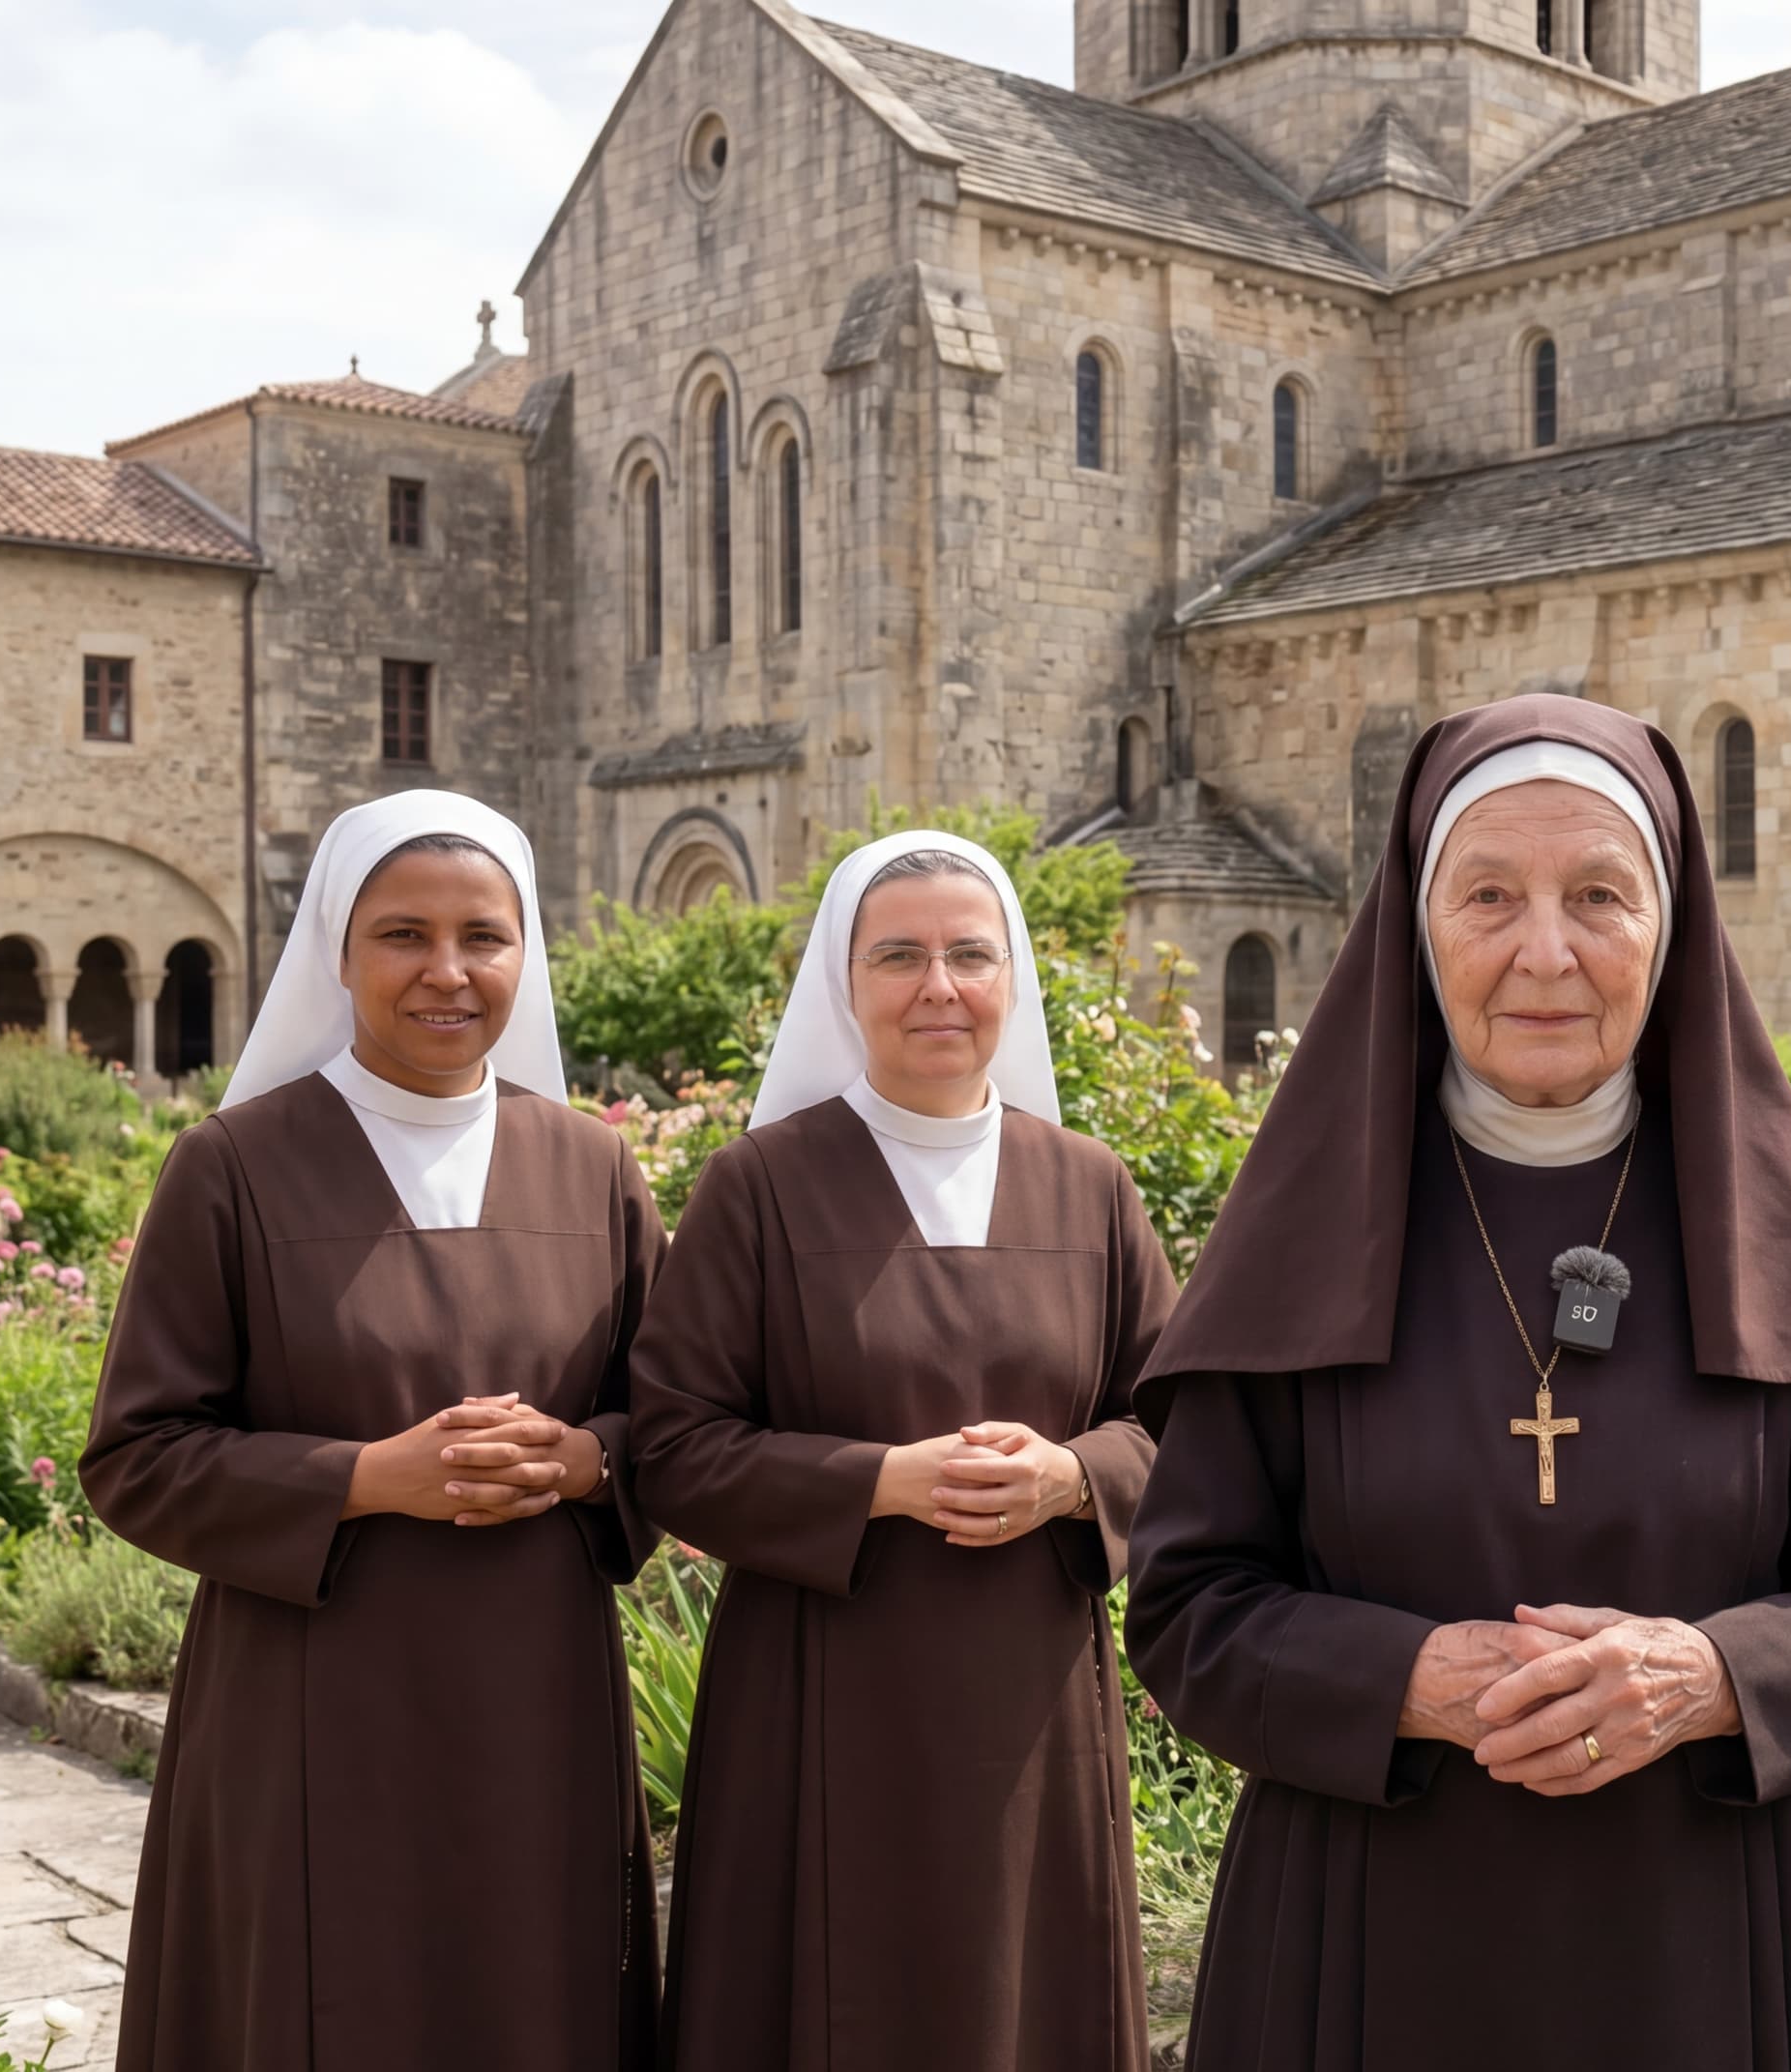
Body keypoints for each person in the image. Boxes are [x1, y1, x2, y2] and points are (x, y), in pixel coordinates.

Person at [1123, 693, 1791, 2072]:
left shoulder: (1770, 1233)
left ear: (1672, 923)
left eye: (1600, 895)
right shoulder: (1308, 1228)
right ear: (1415, 920)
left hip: (1710, 1933)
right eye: (1490, 893)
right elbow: (1188, 1604)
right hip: (1368, 1933)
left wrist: (1706, 1671)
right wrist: (1405, 1677)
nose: (1545, 951)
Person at [79, 791, 659, 2071]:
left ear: (527, 953)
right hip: (307, 1693)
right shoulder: (231, 1166)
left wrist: (585, 1456)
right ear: (339, 949)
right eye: (404, 932)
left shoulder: (594, 1168)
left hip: (537, 1696)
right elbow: (137, 1452)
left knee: (532, 1997)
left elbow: (673, 1424)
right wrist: (365, 1476)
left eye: (484, 935)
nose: (448, 970)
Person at [631, 831, 1172, 2069]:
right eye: (902, 955)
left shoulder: (1089, 1188)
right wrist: (880, 1481)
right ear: (844, 980)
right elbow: (672, 1443)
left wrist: (1071, 1477)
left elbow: (1181, 1424)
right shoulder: (760, 1188)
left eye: (971, 954)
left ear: (1013, 978)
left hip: (1030, 1701)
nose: (941, 985)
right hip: (819, 1692)